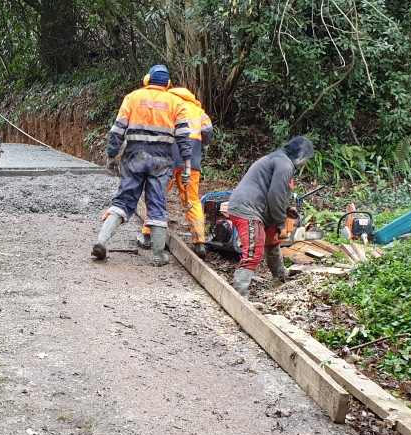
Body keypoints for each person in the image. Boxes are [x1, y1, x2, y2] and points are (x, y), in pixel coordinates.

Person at [93, 65, 192, 267]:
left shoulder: (133, 97)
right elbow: (184, 137)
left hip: (134, 155)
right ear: (168, 84)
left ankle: (101, 242)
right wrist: (188, 165)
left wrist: (111, 156)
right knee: (157, 204)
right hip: (162, 159)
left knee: (123, 201)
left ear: (147, 80)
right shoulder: (177, 102)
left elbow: (117, 130)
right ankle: (158, 255)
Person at [226, 136, 315, 299]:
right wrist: (281, 223)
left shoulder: (280, 160)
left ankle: (280, 275)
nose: (305, 164)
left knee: (272, 240)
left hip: (257, 208)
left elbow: (275, 193)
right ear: (300, 155)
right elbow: (275, 195)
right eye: (306, 159)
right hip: (247, 209)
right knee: (254, 251)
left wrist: (286, 209)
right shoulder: (285, 164)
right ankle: (239, 292)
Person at [137, 85, 212, 257]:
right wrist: (202, 146)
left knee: (157, 194)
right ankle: (199, 242)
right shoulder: (198, 110)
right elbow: (207, 131)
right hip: (191, 162)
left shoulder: (168, 104)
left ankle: (148, 235)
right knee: (191, 199)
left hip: (167, 160)